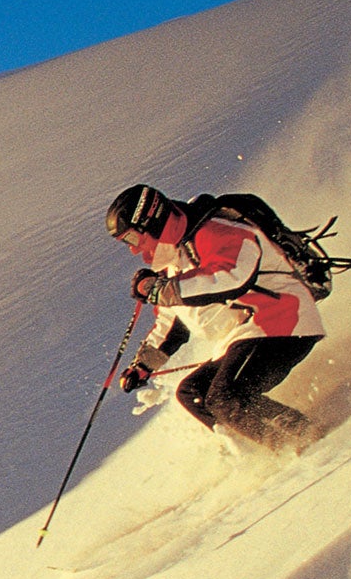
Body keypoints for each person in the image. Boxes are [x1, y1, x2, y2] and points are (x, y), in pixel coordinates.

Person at [104, 183, 321, 451]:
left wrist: (164, 290)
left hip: (283, 319)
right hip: (248, 335)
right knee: (192, 394)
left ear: (151, 221)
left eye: (132, 239)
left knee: (224, 397)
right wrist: (144, 364)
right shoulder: (175, 259)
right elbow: (173, 323)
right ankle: (251, 450)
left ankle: (302, 440)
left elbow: (231, 277)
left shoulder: (214, 229)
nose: (133, 250)